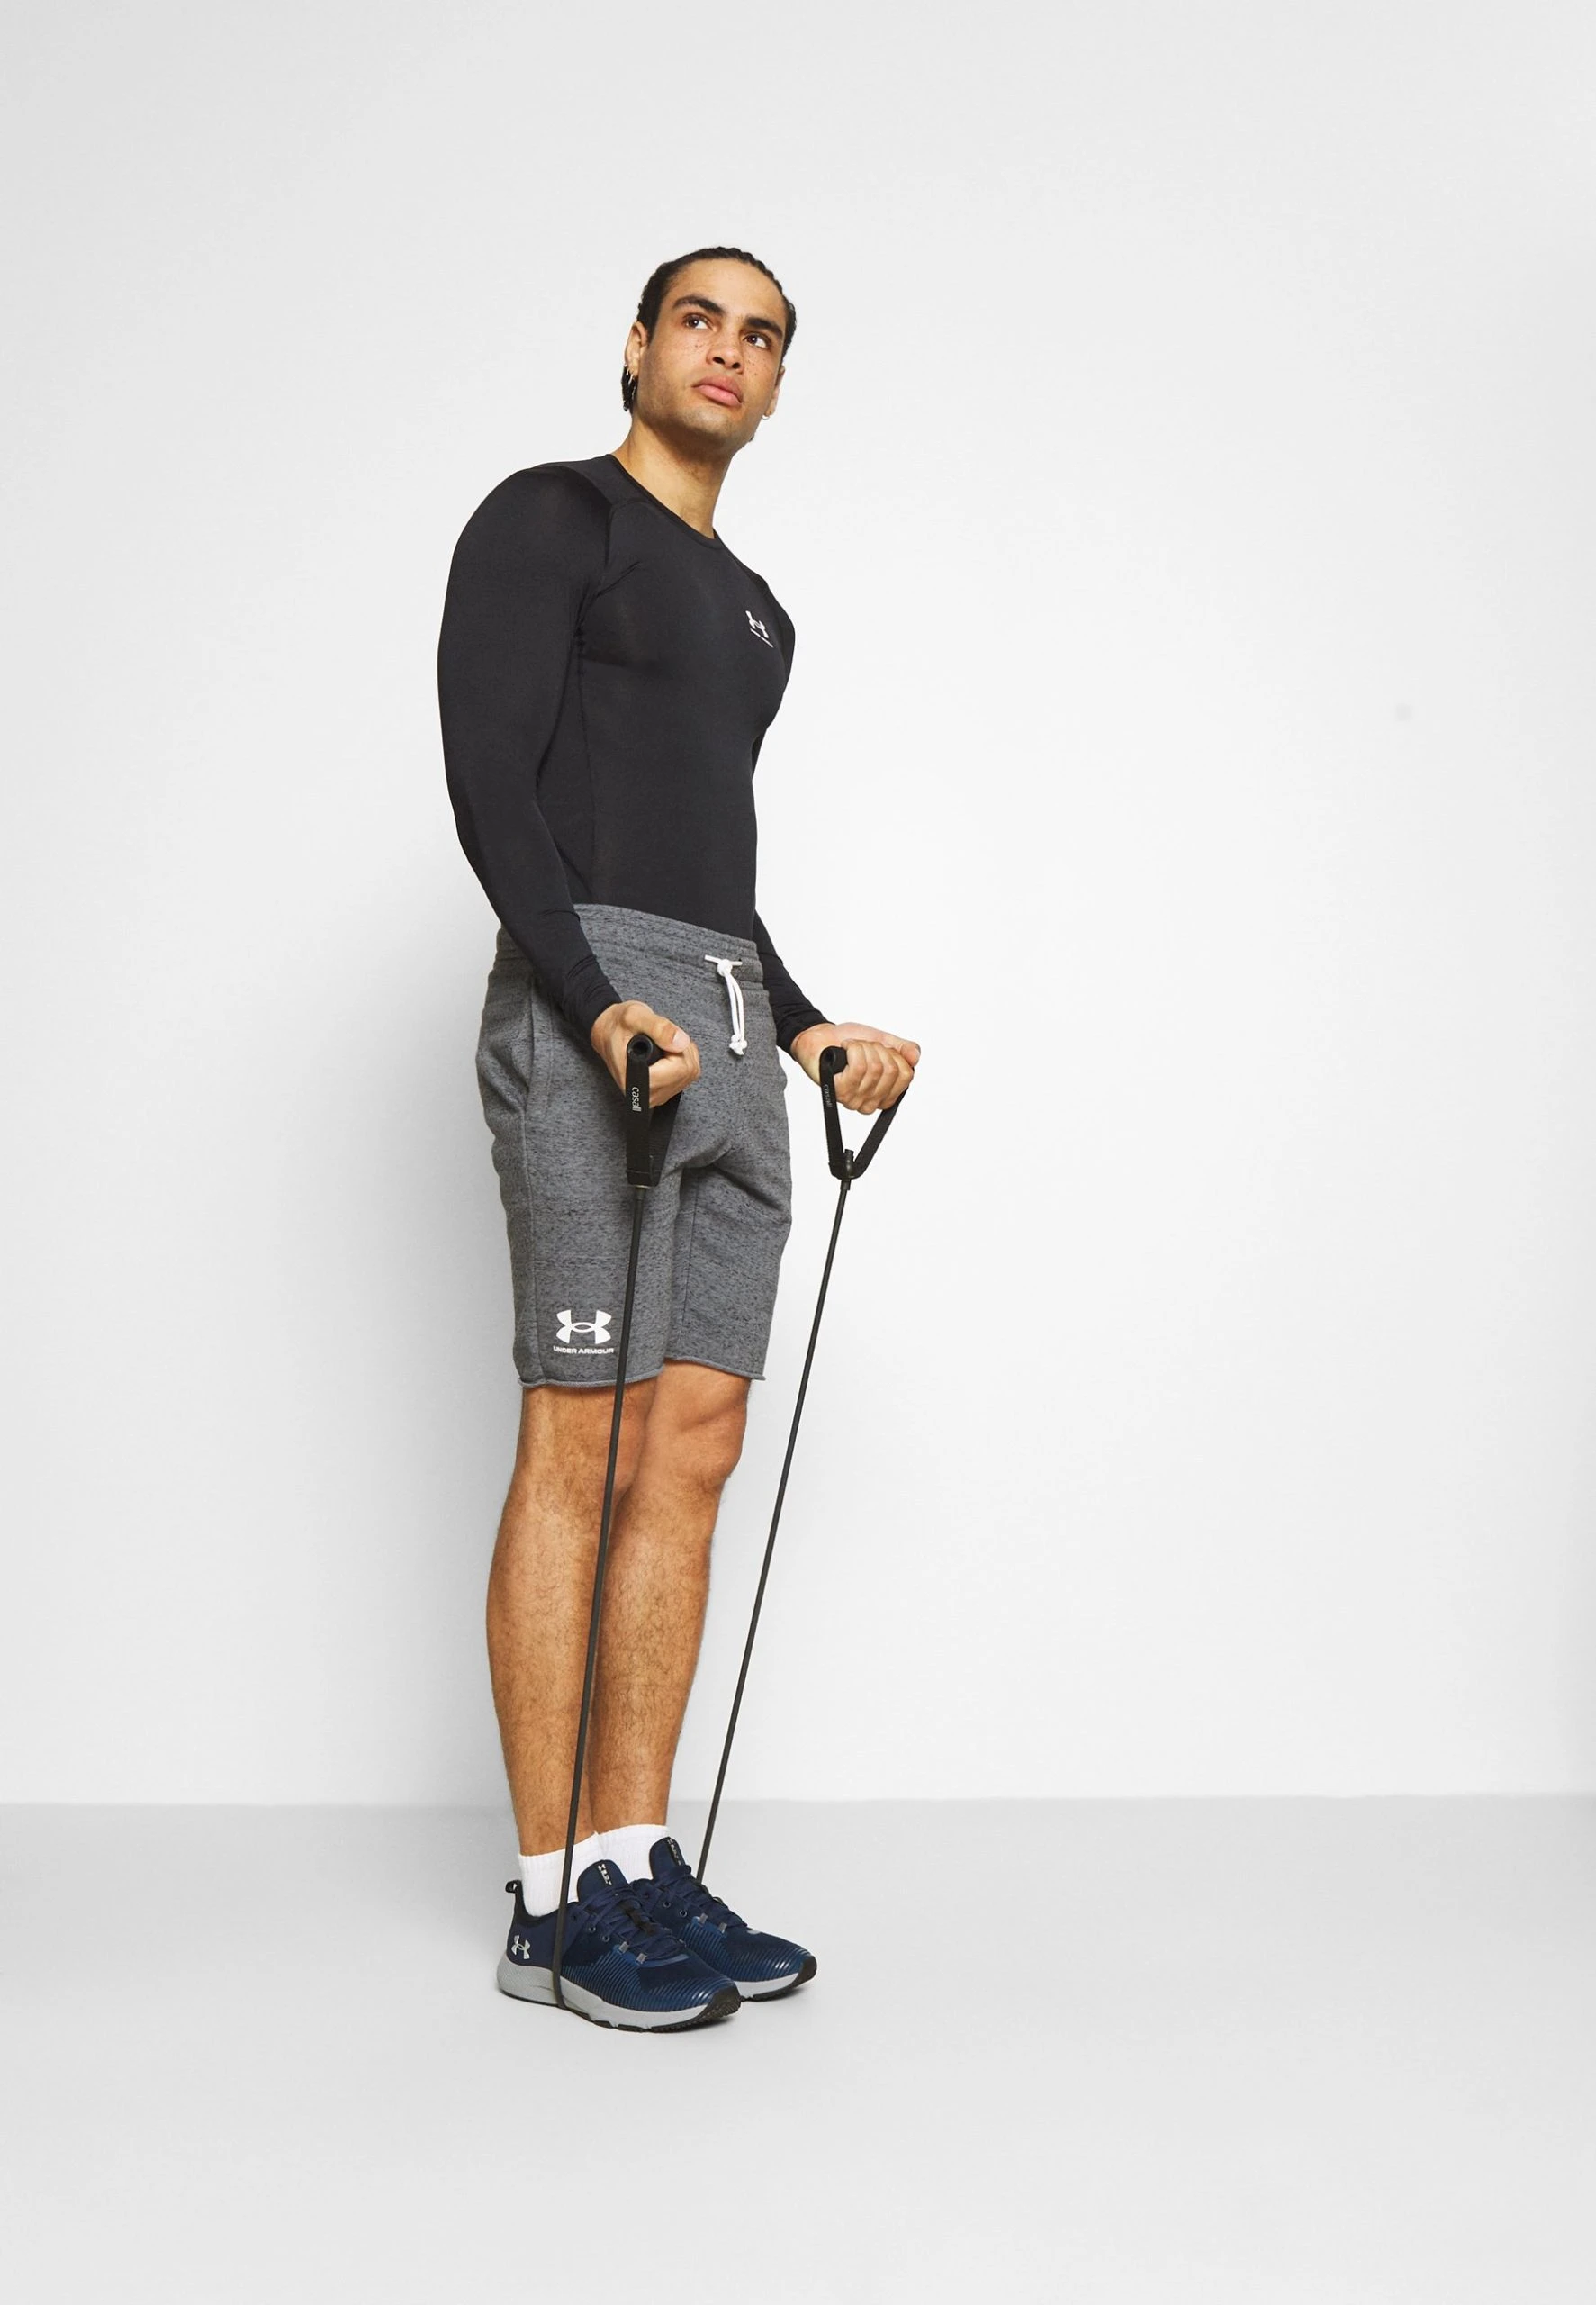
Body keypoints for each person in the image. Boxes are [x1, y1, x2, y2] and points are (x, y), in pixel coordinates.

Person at [437, 246, 919, 2030]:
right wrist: (585, 1001)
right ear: (638, 345)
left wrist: (804, 1025)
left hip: (718, 1011)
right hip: (598, 1004)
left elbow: (706, 858)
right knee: (583, 1434)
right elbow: (495, 787)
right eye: (700, 319)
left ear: (778, 383)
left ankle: (635, 1852)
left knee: (693, 1445)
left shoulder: (759, 615)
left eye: (762, 334)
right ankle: (550, 1897)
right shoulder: (551, 519)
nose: (729, 349)